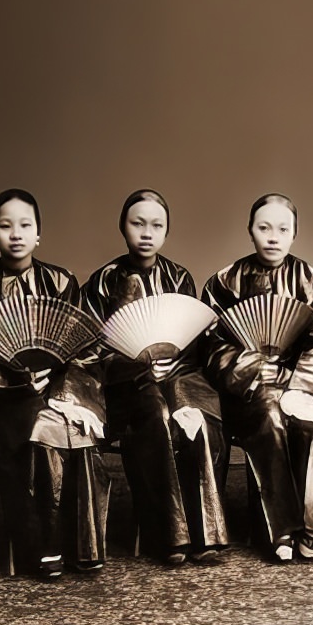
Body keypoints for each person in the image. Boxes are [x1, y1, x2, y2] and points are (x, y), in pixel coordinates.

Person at [0, 188, 110, 578]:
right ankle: (43, 546)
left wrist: (62, 394)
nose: (15, 234)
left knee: (70, 424)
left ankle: (83, 546)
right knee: (40, 425)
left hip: (54, 394)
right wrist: (21, 381)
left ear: (39, 235)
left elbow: (82, 348)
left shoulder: (60, 281)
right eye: (5, 226)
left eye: (25, 225)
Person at [81, 188, 228, 565]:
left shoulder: (179, 277)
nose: (147, 232)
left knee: (198, 419)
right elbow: (91, 352)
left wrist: (171, 368)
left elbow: (192, 343)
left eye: (156, 225)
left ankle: (207, 534)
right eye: (138, 223)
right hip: (126, 388)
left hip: (177, 378)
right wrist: (139, 367)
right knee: (155, 413)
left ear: (166, 231)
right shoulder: (101, 283)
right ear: (122, 227)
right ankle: (169, 535)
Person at [201, 193, 313, 562]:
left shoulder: (310, 280)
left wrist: (297, 383)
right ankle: (280, 530)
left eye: (283, 229)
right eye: (264, 228)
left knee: (312, 421)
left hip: (300, 383)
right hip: (247, 390)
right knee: (270, 415)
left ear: (295, 234)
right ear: (250, 231)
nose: (273, 237)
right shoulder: (223, 282)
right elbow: (212, 346)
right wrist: (253, 369)